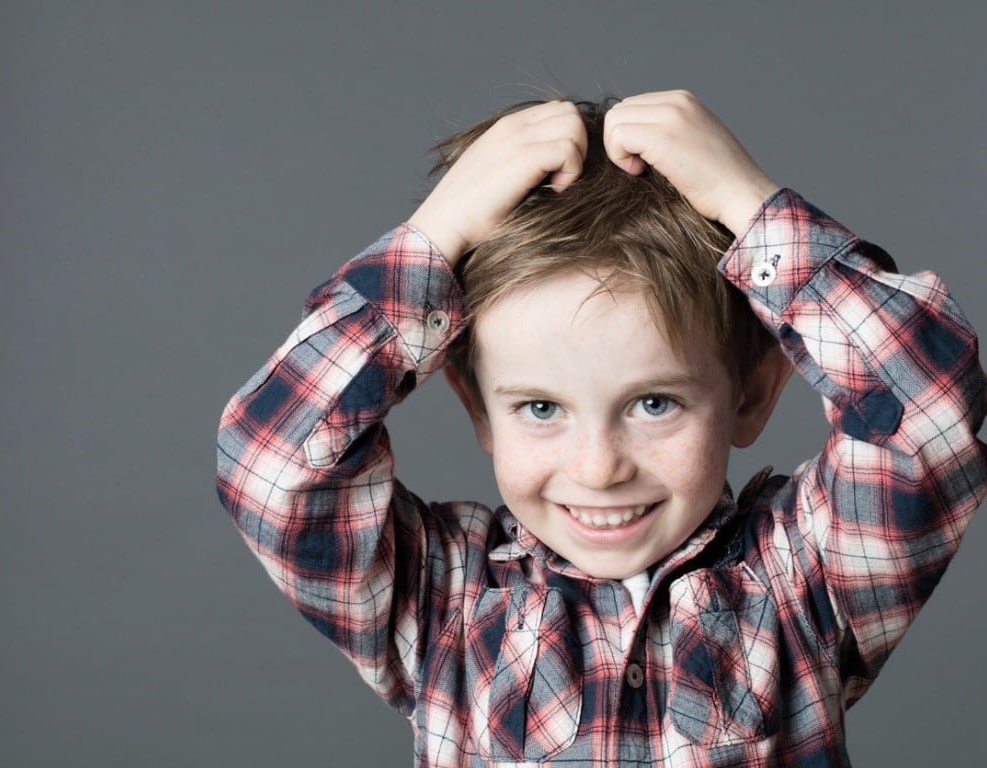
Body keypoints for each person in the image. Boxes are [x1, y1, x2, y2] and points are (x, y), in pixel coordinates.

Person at [216, 91, 986, 766]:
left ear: (750, 397)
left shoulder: (807, 583)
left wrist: (753, 207)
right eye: (541, 409)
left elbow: (929, 408)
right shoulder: (444, 601)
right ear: (480, 408)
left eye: (655, 403)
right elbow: (275, 462)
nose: (598, 467)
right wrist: (434, 235)